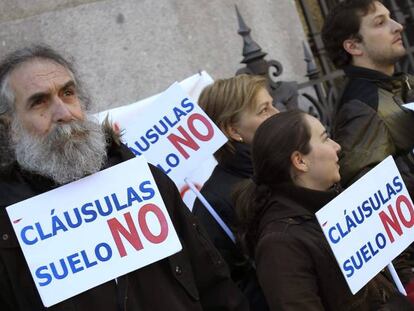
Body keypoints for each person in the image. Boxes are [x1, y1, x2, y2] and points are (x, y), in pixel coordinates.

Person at [0, 45, 249, 311]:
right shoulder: (6, 226)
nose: (64, 113)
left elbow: (213, 284)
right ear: (9, 127)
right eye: (39, 102)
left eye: (68, 93)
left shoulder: (145, 179)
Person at [234, 110, 414, 310]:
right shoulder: (280, 245)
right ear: (300, 161)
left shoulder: (335, 202)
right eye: (325, 138)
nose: (337, 147)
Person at [192, 74, 278, 310]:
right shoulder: (213, 204)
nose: (277, 114)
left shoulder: (288, 166)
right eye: (264, 110)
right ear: (233, 129)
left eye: (272, 105)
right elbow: (227, 290)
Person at [321, 0, 414, 196]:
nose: (398, 26)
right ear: (353, 46)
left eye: (391, 18)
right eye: (380, 23)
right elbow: (370, 194)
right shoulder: (360, 106)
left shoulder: (400, 82)